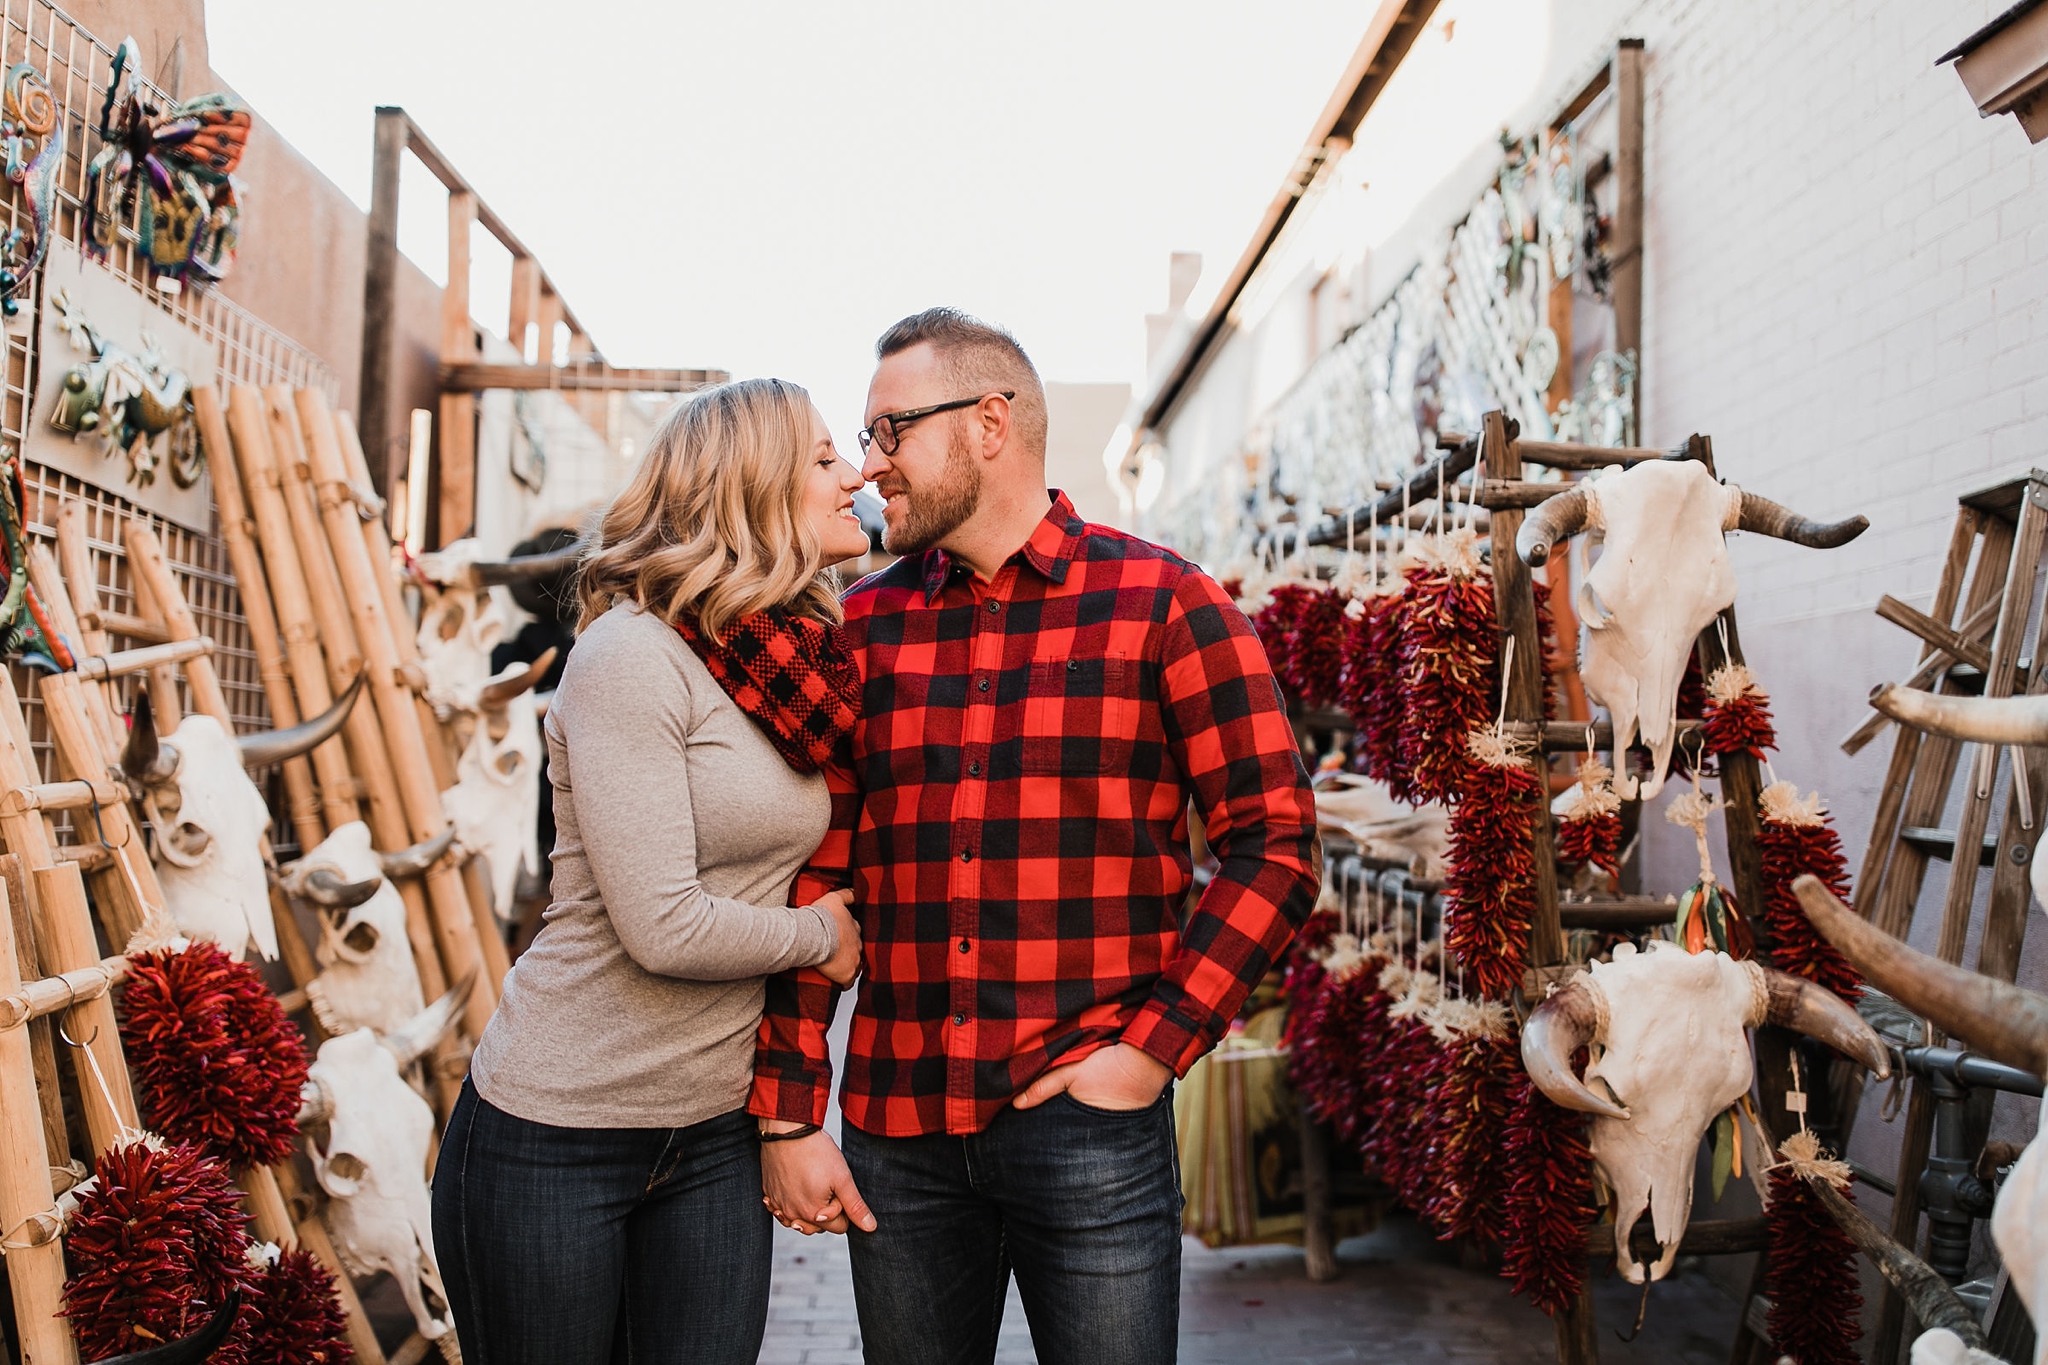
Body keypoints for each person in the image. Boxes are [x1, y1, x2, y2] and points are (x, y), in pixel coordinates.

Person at [755, 309, 1321, 1365]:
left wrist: (1149, 1055)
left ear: (987, 423)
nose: (869, 465)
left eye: (889, 432)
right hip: (899, 1134)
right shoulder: (863, 629)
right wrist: (791, 1113)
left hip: (1089, 1127)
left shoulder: (1165, 605)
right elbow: (814, 877)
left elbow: (1275, 845)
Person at [433, 377, 874, 1364]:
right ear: (749, 487)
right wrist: (822, 938)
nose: (852, 474)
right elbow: (663, 925)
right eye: (819, 459)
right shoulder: (629, 656)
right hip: (557, 1134)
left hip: (712, 1133)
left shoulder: (791, 663)